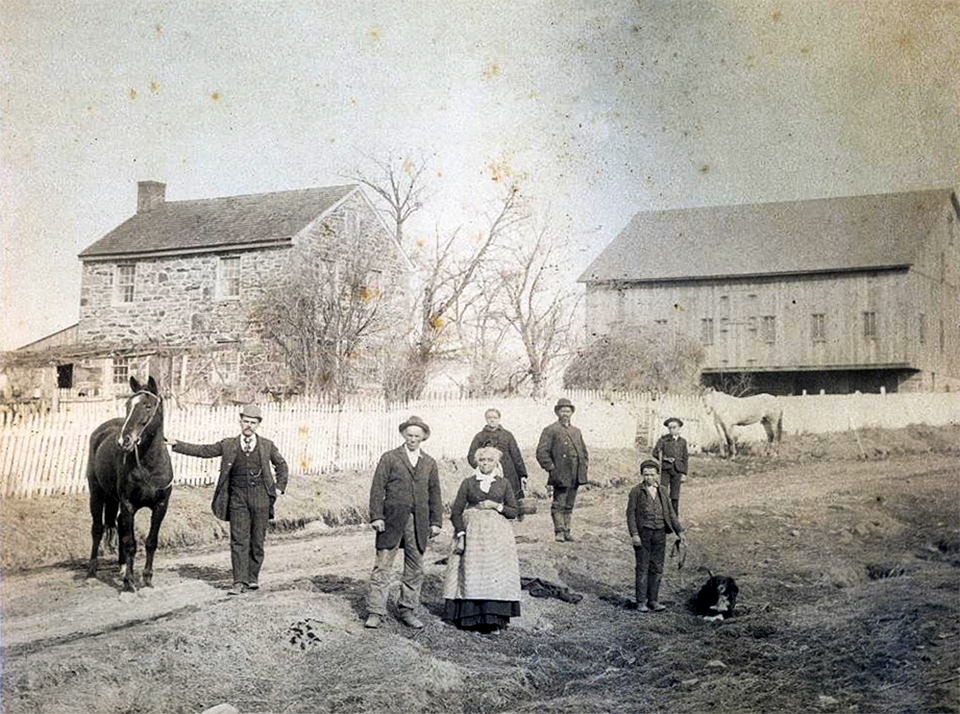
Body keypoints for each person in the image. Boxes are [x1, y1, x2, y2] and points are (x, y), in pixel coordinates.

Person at [169, 404, 288, 595]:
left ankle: (252, 578)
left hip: (261, 498)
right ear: (240, 421)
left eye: (252, 422)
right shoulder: (228, 444)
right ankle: (239, 582)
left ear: (258, 424)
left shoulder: (267, 445)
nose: (248, 425)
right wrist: (177, 444)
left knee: (257, 541)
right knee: (239, 540)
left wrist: (279, 488)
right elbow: (204, 450)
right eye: (245, 421)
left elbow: (281, 465)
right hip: (237, 498)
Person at [365, 416, 443, 630]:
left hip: (418, 522)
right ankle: (375, 611)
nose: (413, 439)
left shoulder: (429, 463)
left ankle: (407, 610)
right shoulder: (390, 458)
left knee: (415, 568)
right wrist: (377, 516)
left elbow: (434, 494)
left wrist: (436, 522)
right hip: (390, 520)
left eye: (417, 436)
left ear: (423, 438)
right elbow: (377, 488)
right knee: (383, 566)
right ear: (403, 435)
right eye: (409, 435)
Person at [442, 446, 521, 634]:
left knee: (494, 575)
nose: (485, 464)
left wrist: (496, 506)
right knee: (471, 572)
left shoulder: (503, 484)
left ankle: (493, 620)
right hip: (473, 535)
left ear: (496, 463)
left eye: (489, 460)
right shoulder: (468, 483)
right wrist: (461, 534)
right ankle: (470, 619)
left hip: (497, 537)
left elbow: (513, 511)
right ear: (478, 462)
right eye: (482, 460)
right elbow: (456, 512)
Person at [626, 459, 683, 612]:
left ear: (658, 474)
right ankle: (640, 602)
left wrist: (680, 531)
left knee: (657, 567)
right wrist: (634, 534)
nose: (649, 478)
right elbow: (630, 514)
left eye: (652, 474)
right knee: (642, 567)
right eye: (646, 475)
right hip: (643, 533)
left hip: (660, 533)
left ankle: (653, 600)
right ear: (642, 475)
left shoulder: (663, 491)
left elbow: (670, 513)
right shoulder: (636, 491)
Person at [536, 398, 589, 542]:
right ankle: (559, 531)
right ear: (557, 412)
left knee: (569, 504)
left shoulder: (576, 431)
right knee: (559, 503)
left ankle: (567, 531)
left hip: (575, 473)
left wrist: (583, 468)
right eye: (562, 410)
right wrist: (552, 469)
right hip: (560, 473)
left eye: (568, 411)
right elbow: (542, 452)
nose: (565, 413)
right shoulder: (550, 430)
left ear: (572, 412)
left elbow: (583, 452)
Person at [467, 408, 528, 505]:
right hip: (487, 475)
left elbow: (516, 455)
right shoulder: (479, 437)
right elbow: (471, 456)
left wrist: (522, 474)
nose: (492, 420)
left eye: (494, 417)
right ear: (486, 419)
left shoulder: (507, 435)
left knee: (510, 499)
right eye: (489, 417)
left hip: (508, 473)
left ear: (499, 419)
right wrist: (483, 467)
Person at [651, 417, 689, 515]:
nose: (671, 430)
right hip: (665, 470)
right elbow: (655, 453)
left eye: (674, 427)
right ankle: (662, 515)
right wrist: (665, 458)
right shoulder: (663, 440)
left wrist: (684, 473)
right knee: (663, 492)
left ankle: (674, 517)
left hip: (678, 470)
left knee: (675, 494)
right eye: (670, 428)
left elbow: (685, 458)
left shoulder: (683, 442)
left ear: (679, 428)